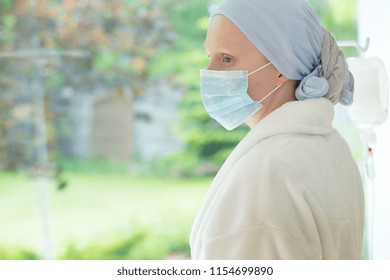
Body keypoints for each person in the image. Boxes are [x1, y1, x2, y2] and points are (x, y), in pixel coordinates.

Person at [190, 0, 364, 260]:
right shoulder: (334, 148)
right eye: (210, 57)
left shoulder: (267, 172)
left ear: (282, 66)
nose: (209, 71)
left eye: (226, 58)